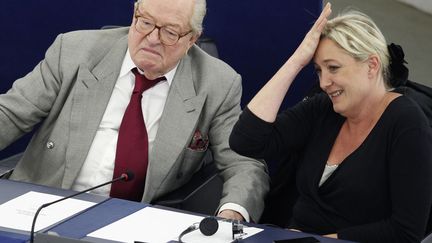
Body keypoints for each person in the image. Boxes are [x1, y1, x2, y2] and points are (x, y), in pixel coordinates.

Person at [0, 0, 269, 223]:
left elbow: (242, 162)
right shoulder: (73, 51)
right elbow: (11, 113)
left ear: (192, 39)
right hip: (43, 206)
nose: (152, 39)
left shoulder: (217, 83)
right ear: (134, 14)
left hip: (135, 221)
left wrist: (232, 214)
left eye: (170, 32)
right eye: (146, 22)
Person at [230, 3, 432, 242]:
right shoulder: (323, 107)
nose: (324, 82)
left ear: (372, 65)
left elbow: (405, 232)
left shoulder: (406, 122)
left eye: (333, 68)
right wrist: (296, 61)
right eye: (318, 70)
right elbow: (245, 142)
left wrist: (319, 241)